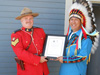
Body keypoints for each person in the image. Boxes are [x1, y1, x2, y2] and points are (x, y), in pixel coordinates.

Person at [56, 0, 99, 75]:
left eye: (76, 20)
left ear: (81, 21)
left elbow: (83, 57)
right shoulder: (68, 37)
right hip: (63, 72)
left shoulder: (86, 38)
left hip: (76, 72)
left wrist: (65, 59)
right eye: (71, 19)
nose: (73, 22)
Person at [11, 7, 49, 75]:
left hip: (42, 68)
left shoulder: (40, 31)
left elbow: (47, 45)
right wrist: (37, 59)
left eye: (30, 18)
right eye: (26, 19)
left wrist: (53, 55)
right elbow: (20, 53)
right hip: (28, 70)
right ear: (21, 21)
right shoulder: (16, 35)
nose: (29, 20)